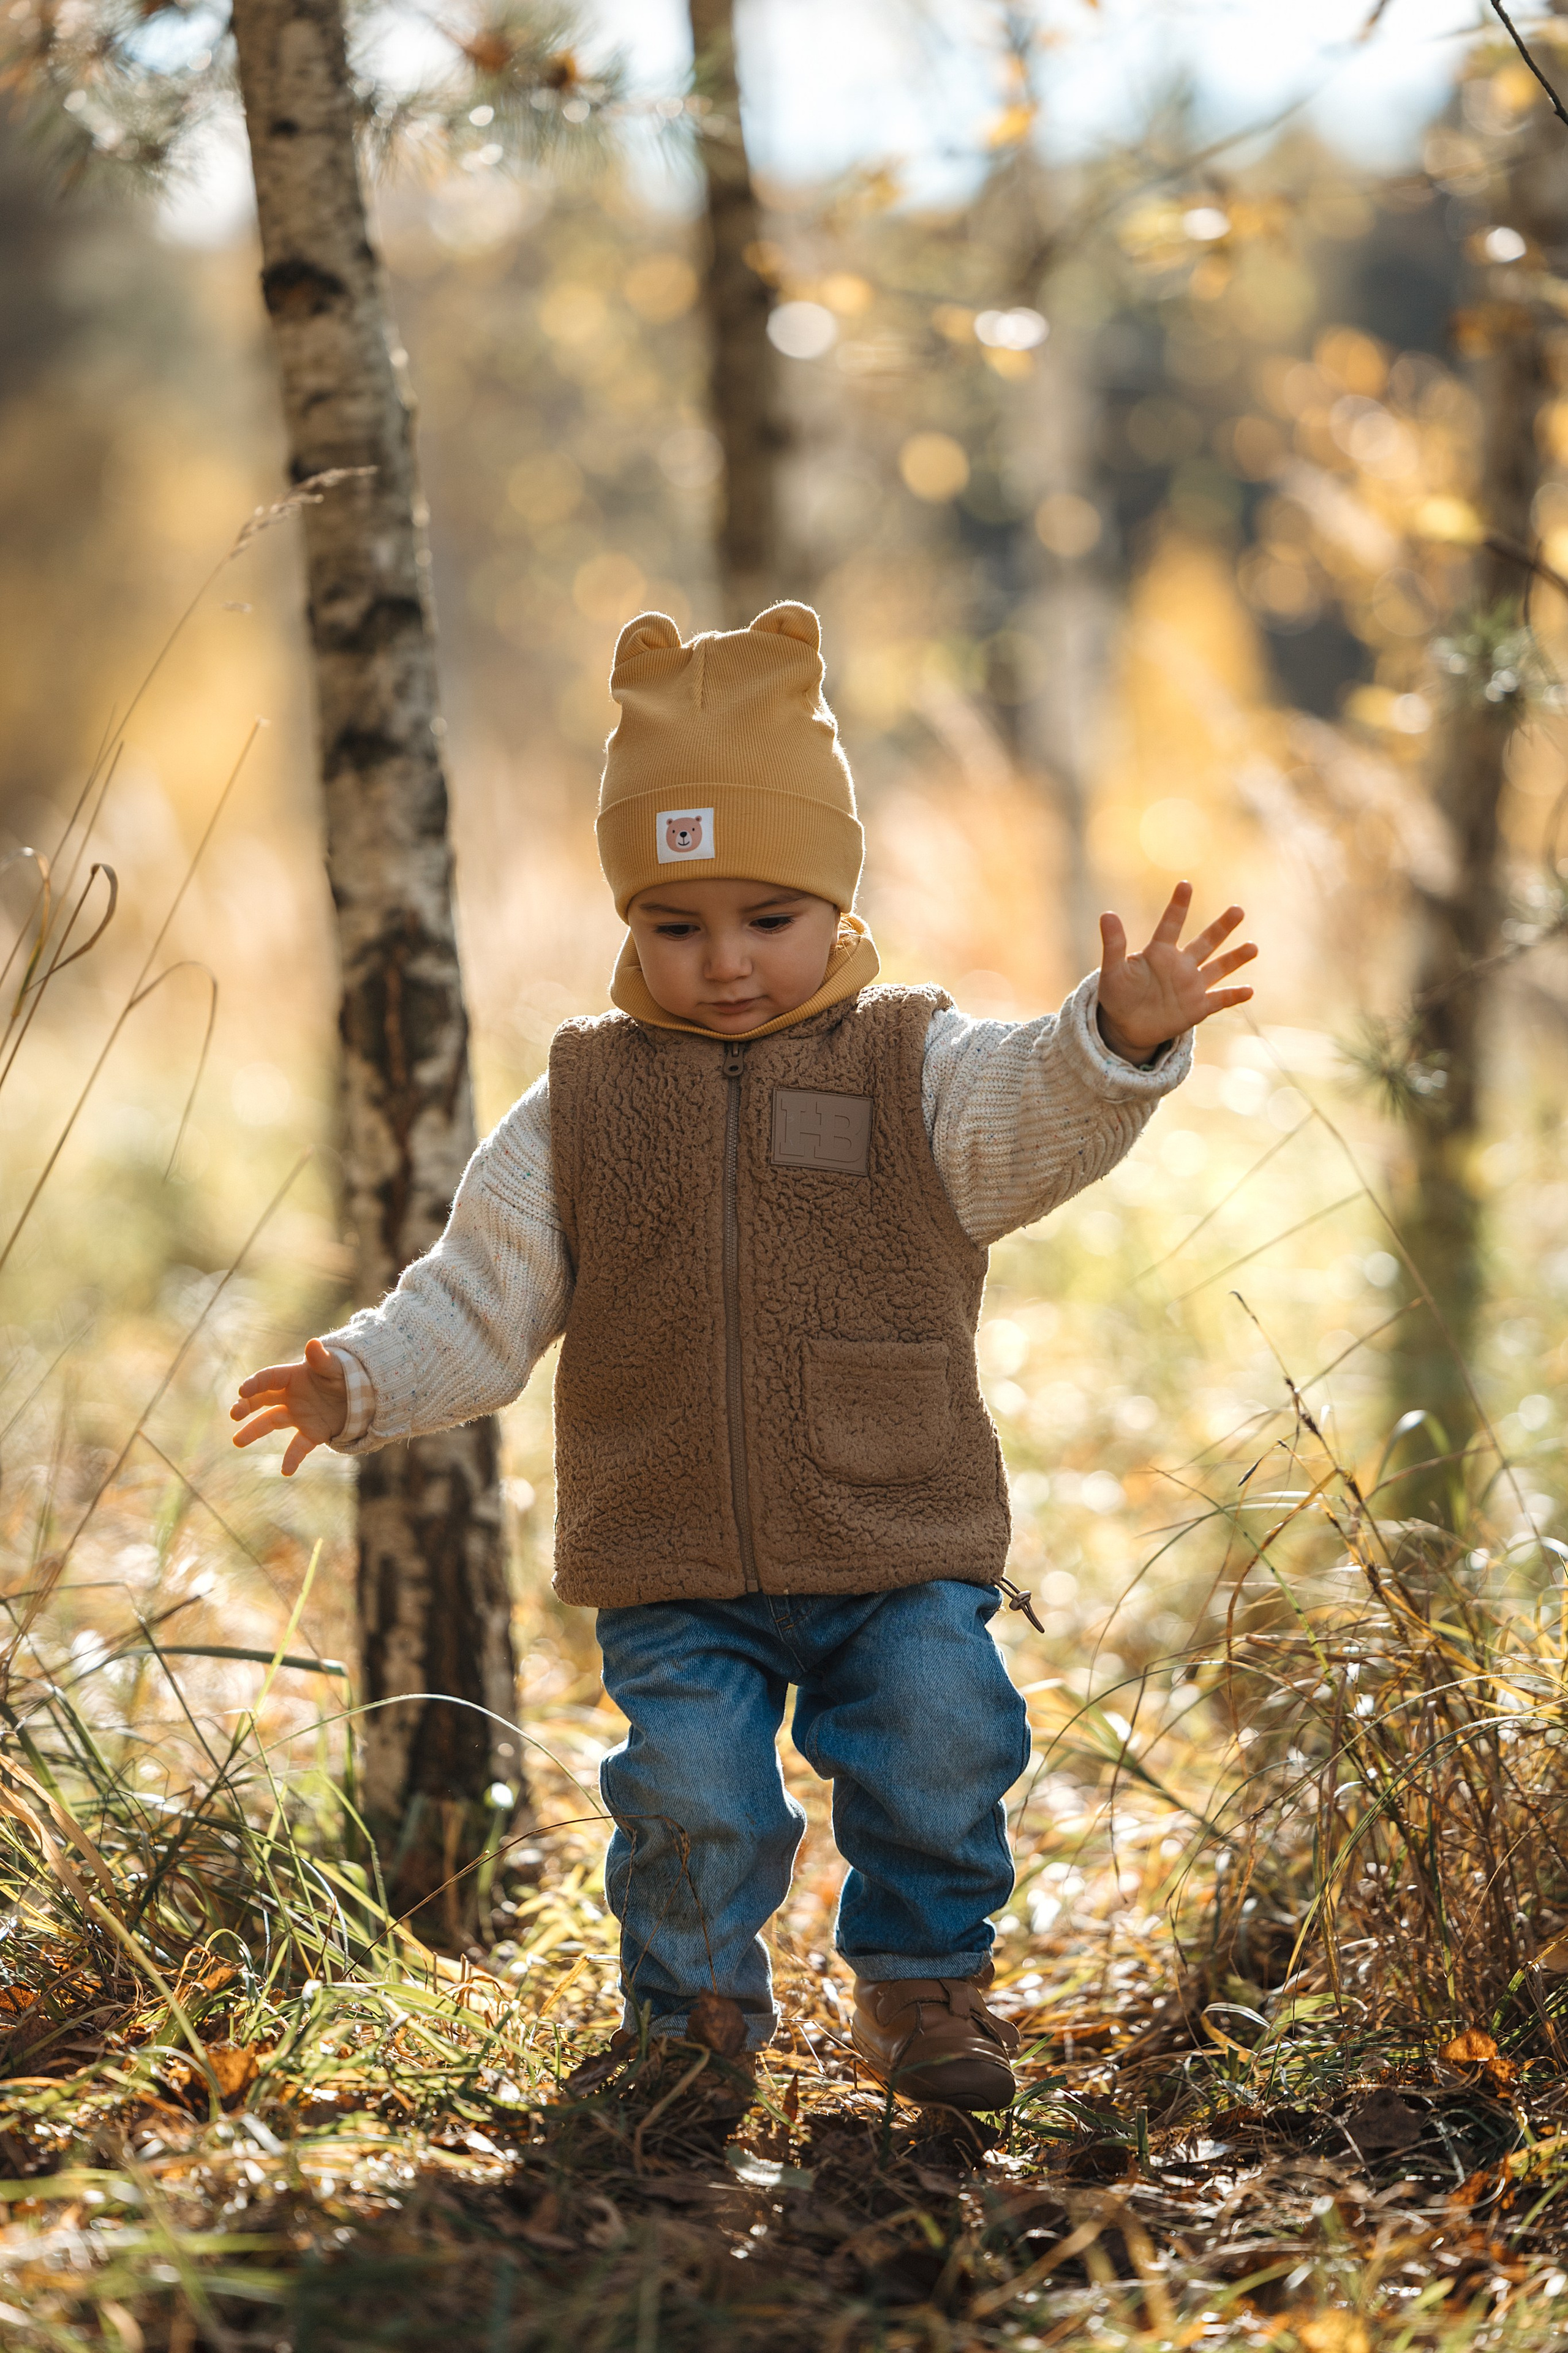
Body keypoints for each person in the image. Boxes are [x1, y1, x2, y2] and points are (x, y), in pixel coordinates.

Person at [232, 603, 1256, 2111]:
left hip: (892, 1522)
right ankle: (691, 2023)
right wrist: (363, 1376)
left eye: (765, 920)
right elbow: (483, 1292)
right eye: (673, 923)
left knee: (936, 1740)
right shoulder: (582, 1101)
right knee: (689, 1797)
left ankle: (920, 1993)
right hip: (670, 1547)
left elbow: (1026, 1119)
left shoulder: (910, 1059)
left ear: (833, 902)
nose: (722, 965)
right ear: (628, 919)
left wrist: (1108, 1034)